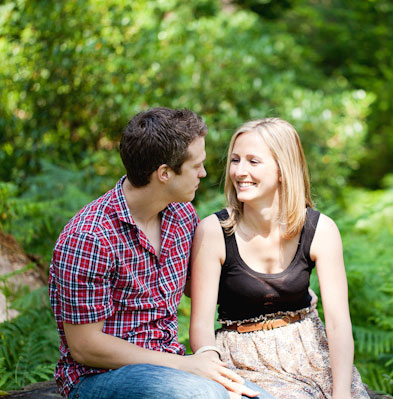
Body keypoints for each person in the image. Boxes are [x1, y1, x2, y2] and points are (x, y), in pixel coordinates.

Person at [48, 107, 273, 399]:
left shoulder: (182, 215)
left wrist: (278, 288)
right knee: (204, 396)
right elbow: (85, 346)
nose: (203, 173)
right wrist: (186, 365)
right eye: (196, 166)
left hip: (171, 367)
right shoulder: (89, 237)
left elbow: (202, 287)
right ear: (164, 173)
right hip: (99, 377)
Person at [189, 118, 369, 398]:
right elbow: (200, 326)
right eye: (235, 160)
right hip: (242, 360)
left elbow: (337, 322)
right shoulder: (214, 232)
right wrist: (218, 379)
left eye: (253, 161)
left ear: (283, 170)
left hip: (309, 353)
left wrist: (342, 392)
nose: (240, 171)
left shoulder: (320, 230)